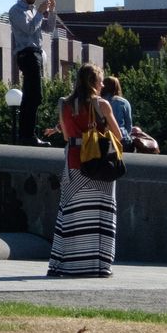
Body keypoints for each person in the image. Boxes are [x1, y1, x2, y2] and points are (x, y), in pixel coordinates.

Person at [46, 64, 122, 279]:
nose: (102, 85)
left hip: (74, 164)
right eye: (100, 81)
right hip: (100, 165)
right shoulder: (102, 104)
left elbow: (65, 136)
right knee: (100, 215)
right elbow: (118, 135)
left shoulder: (64, 104)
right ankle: (98, 266)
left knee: (70, 213)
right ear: (93, 82)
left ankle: (67, 265)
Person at [7, 0, 61, 146]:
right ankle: (27, 135)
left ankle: (27, 135)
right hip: (27, 54)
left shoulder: (34, 11)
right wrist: (39, 12)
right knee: (34, 95)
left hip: (36, 54)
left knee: (32, 95)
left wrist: (51, 11)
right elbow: (29, 29)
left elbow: (49, 28)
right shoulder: (16, 10)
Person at [100, 76, 159, 154]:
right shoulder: (123, 102)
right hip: (122, 139)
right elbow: (128, 127)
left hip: (103, 139)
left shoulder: (99, 102)